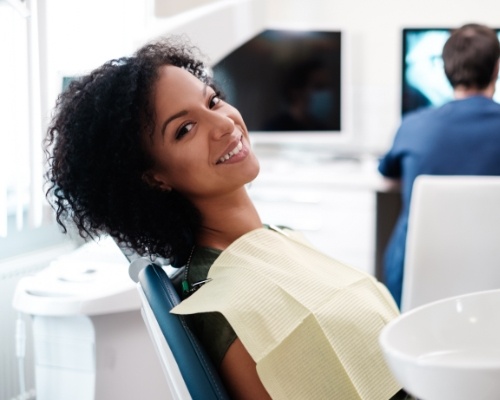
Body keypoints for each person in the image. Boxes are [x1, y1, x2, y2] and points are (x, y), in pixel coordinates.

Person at [45, 36, 406, 399]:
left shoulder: (278, 236)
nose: (223, 125)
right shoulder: (222, 308)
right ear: (154, 177)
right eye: (184, 129)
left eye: (213, 101)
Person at [378, 23, 500, 307]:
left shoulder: (413, 126)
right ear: (496, 69)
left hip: (418, 279)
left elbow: (386, 171)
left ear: (446, 70)